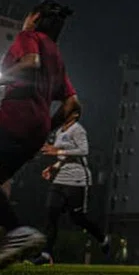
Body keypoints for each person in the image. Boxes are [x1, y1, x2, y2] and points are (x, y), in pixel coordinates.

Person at [0, 0, 79, 274]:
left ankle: (19, 232)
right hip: (35, 129)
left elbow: (29, 63)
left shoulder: (29, 37)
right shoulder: (57, 56)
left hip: (15, 117)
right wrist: (45, 126)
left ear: (34, 17)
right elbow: (74, 105)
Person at [31, 106, 109, 265]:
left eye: (66, 110)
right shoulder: (59, 132)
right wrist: (52, 168)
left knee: (78, 218)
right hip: (60, 178)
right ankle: (46, 255)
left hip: (77, 179)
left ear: (75, 115)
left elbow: (84, 150)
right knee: (51, 215)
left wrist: (58, 151)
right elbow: (62, 157)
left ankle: (102, 238)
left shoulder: (78, 130)